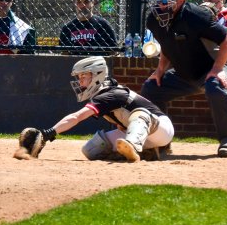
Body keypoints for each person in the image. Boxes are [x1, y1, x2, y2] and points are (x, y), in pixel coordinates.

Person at [141, 0, 227, 158]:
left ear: (181, 0)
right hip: (184, 73)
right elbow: (166, 45)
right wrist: (159, 71)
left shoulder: (195, 15)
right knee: (151, 88)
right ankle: (161, 142)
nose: (161, 6)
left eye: (165, 1)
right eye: (158, 0)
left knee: (214, 85)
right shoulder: (154, 20)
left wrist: (217, 69)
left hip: (213, 66)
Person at [16, 56, 174, 162]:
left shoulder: (110, 94)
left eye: (83, 77)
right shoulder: (103, 94)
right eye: (79, 78)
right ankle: (148, 152)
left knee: (140, 114)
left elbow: (77, 117)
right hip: (140, 133)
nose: (80, 82)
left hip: (161, 129)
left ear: (97, 75)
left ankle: (135, 147)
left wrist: (48, 133)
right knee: (91, 150)